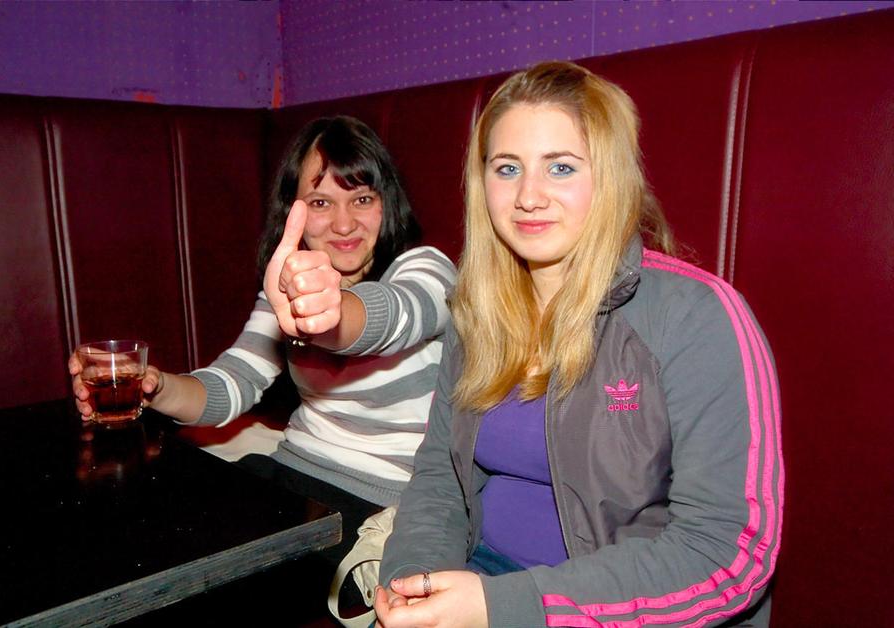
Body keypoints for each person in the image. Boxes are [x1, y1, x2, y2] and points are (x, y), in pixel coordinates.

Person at [375, 62, 782, 627]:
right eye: (507, 168)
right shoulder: (477, 310)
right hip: (482, 584)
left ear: (610, 178)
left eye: (561, 167)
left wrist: (509, 608)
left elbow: (726, 555)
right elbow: (441, 477)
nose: (528, 196)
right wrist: (414, 582)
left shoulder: (698, 316)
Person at [69, 116, 457, 511]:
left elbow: (397, 316)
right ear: (292, 212)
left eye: (362, 199)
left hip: (384, 501)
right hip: (293, 473)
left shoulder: (427, 268)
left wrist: (329, 313)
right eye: (321, 202)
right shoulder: (286, 290)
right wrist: (152, 386)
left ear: (386, 202)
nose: (344, 224)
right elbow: (230, 385)